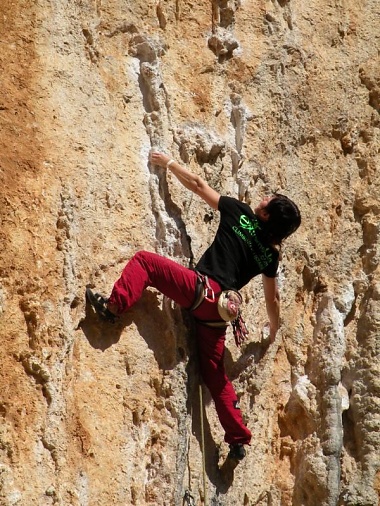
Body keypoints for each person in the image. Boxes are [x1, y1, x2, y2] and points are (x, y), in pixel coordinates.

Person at [86, 151, 301, 461]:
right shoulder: (271, 254)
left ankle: (113, 308)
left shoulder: (240, 213)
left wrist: (169, 163)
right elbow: (273, 299)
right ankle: (238, 439)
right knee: (214, 375)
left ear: (266, 214)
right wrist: (273, 329)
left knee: (145, 262)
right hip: (220, 312)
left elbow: (199, 185)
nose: (264, 197)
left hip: (201, 291)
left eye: (270, 199)